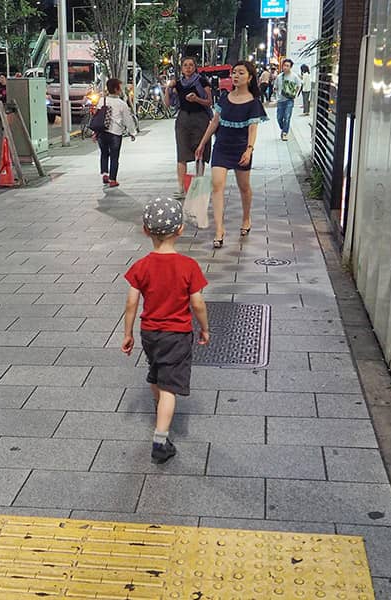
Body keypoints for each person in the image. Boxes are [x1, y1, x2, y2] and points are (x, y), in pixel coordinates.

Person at [121, 197, 210, 464]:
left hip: (150, 333)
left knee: (156, 375)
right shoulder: (188, 267)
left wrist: (127, 334)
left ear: (146, 230)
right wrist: (204, 328)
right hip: (177, 334)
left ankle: (160, 406)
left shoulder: (141, 267)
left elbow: (131, 303)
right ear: (181, 229)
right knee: (170, 386)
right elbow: (197, 303)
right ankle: (161, 440)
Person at [195, 61, 267, 247]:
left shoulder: (253, 102)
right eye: (234, 72)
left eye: (241, 73)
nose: (236, 76)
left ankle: (246, 218)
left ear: (250, 78)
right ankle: (219, 228)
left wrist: (249, 149)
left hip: (241, 148)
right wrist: (202, 143)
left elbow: (252, 129)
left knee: (244, 187)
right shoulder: (224, 98)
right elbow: (214, 122)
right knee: (217, 185)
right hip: (222, 147)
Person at [165, 56, 213, 198]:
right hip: (183, 119)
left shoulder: (202, 81)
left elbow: (209, 102)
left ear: (195, 67)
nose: (188, 67)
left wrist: (197, 99)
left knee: (200, 154)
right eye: (185, 65)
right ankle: (181, 187)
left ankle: (198, 186)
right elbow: (168, 104)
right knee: (182, 154)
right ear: (182, 68)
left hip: (200, 119)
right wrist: (168, 88)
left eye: (191, 65)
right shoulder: (178, 84)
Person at [95, 78, 137, 188]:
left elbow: (97, 117)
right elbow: (127, 119)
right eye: (120, 87)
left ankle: (105, 173)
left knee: (104, 153)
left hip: (102, 132)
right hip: (115, 133)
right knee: (114, 156)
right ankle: (113, 180)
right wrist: (132, 132)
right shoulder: (121, 104)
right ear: (116, 89)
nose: (121, 90)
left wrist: (95, 132)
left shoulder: (102, 101)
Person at [272, 59, 302, 141]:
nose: (285, 67)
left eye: (287, 66)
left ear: (290, 67)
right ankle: (283, 128)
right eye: (284, 65)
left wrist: (295, 94)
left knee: (287, 117)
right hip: (280, 100)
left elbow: (299, 85)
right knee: (279, 118)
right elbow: (275, 87)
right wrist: (275, 93)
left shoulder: (294, 76)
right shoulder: (279, 77)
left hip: (289, 100)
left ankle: (285, 133)